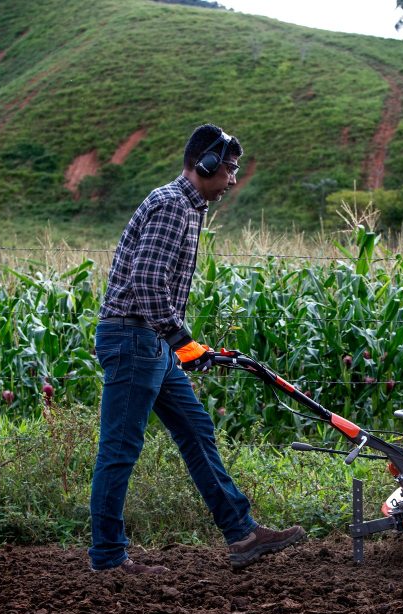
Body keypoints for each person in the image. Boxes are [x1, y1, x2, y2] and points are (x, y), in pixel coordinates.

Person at [89, 123, 305, 574]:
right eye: (227, 169)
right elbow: (146, 283)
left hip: (149, 339)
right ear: (204, 164)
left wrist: (182, 345)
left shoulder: (189, 208)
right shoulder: (171, 207)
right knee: (120, 447)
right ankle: (108, 558)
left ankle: (243, 533)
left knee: (195, 428)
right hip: (133, 337)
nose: (230, 180)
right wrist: (181, 340)